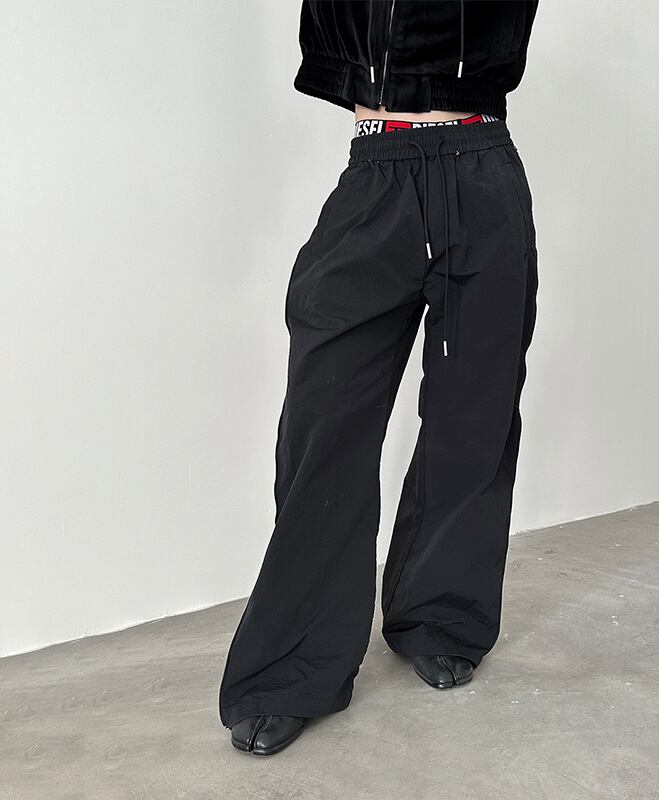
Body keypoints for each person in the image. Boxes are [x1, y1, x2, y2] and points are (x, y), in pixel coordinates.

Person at [219, 0, 540, 756]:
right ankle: (293, 668)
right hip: (376, 173)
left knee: (474, 418)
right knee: (325, 428)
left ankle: (440, 616)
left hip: (482, 165)